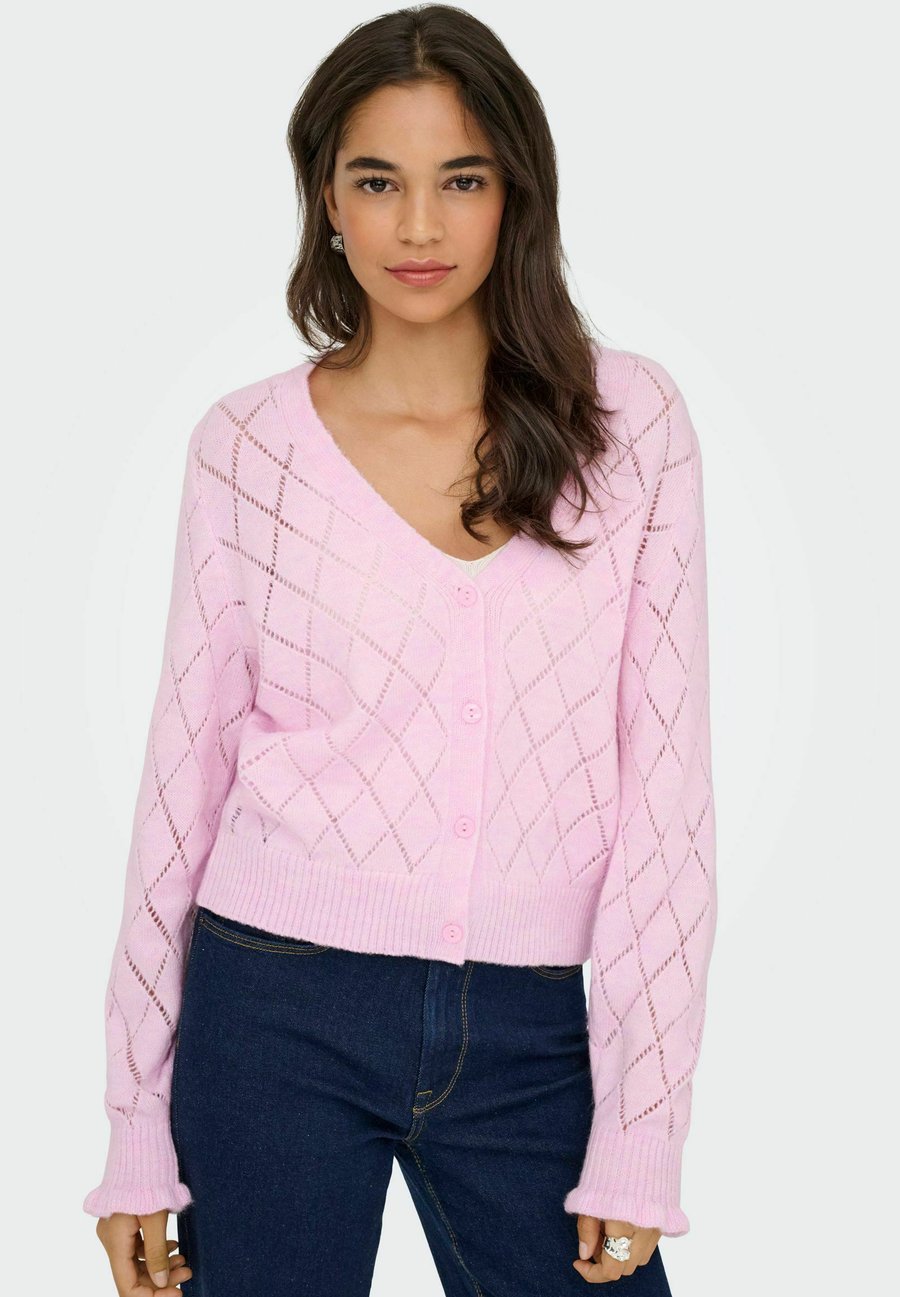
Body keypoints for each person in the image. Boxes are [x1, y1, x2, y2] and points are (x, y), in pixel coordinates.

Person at [83, 5, 718, 1293]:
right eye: (377, 181)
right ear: (326, 198)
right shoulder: (249, 450)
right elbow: (182, 783)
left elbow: (669, 796)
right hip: (273, 1014)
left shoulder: (630, 426)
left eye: (461, 180)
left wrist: (644, 1133)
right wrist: (134, 1131)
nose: (419, 226)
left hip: (533, 1032)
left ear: (516, 195)